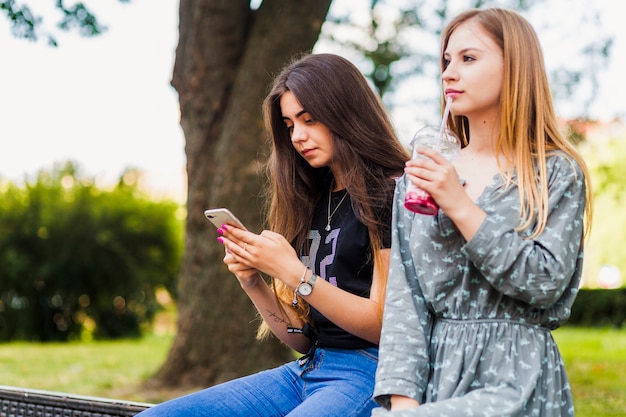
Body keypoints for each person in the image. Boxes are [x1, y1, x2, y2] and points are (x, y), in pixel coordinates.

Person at [136, 53, 410, 417]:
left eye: (309, 120)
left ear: (345, 111)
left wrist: (294, 272)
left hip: (370, 372)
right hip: (309, 369)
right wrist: (253, 280)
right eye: (289, 125)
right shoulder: (311, 197)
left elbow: (382, 326)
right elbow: (301, 340)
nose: (298, 136)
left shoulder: (392, 193)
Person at [372, 8, 592, 417]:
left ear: (516, 68)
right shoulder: (422, 173)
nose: (448, 74)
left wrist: (459, 204)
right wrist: (401, 406)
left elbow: (544, 283)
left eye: (468, 59)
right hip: (436, 377)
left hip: (516, 377)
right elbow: (407, 301)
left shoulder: (555, 173)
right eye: (446, 61)